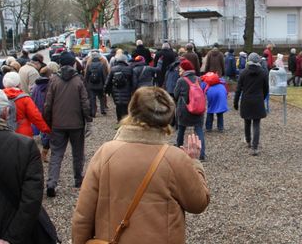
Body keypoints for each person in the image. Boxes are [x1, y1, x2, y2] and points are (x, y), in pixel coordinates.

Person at [71, 87, 210, 244]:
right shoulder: (175, 158)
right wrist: (194, 162)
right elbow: (198, 203)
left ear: (132, 111)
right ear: (167, 117)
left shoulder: (106, 153)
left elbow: (83, 215)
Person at [0, 87, 44, 244]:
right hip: (20, 231)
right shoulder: (25, 146)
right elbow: (32, 198)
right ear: (5, 112)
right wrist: (12, 238)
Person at [44, 51, 92, 197]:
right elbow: (85, 102)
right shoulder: (79, 80)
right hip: (76, 123)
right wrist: (88, 119)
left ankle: (52, 182)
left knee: (56, 154)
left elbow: (48, 104)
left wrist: (47, 121)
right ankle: (78, 179)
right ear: (73, 64)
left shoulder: (53, 80)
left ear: (60, 64)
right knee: (78, 153)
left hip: (58, 124)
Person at [233, 53, 269, 156]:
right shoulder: (263, 73)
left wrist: (236, 102)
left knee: (247, 122)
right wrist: (262, 97)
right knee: (256, 124)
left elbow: (238, 89)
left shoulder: (244, 73)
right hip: (258, 100)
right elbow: (266, 88)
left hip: (247, 100)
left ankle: (248, 141)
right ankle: (254, 147)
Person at [174, 59, 206, 161]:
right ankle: (201, 154)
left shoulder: (181, 80)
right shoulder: (198, 79)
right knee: (199, 130)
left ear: (184, 70)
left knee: (181, 130)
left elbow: (175, 95)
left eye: (180, 69)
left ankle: (179, 150)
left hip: (184, 110)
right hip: (197, 109)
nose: (179, 71)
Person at [2, 72, 51, 138]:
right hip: (23, 133)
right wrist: (47, 129)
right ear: (18, 83)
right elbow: (35, 116)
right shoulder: (24, 98)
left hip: (4, 132)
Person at [32, 64, 59, 162]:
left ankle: (45, 152)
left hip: (38, 110)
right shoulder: (49, 85)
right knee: (49, 133)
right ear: (49, 74)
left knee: (44, 132)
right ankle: (45, 152)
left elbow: (33, 98)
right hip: (48, 111)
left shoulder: (35, 85)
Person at [105, 53, 134, 122]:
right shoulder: (129, 69)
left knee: (118, 105)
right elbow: (133, 81)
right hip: (127, 90)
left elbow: (108, 80)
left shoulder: (113, 69)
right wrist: (133, 89)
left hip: (116, 90)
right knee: (126, 105)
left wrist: (106, 90)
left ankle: (119, 120)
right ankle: (126, 121)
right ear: (125, 60)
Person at [84, 51, 108, 117]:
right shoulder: (102, 64)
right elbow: (104, 76)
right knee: (102, 98)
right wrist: (105, 84)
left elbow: (86, 76)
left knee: (92, 99)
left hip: (91, 85)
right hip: (100, 85)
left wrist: (86, 84)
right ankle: (102, 110)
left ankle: (93, 112)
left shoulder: (89, 65)